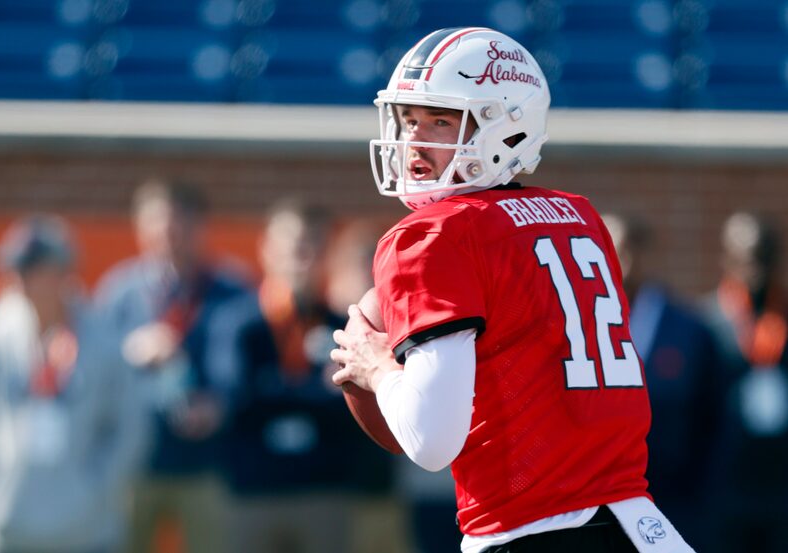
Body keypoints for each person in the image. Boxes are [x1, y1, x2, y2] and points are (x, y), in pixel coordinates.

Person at [330, 27, 694, 553]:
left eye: (440, 121)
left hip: (530, 530)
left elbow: (431, 441)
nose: (413, 139)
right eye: (409, 120)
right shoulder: (579, 218)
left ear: (505, 129)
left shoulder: (432, 235)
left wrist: (378, 368)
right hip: (644, 529)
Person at [94, 179, 272, 553]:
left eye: (179, 224)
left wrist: (220, 403)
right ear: (140, 227)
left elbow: (255, 368)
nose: (168, 236)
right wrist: (130, 351)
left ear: (200, 227)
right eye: (157, 225)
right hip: (133, 465)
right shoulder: (120, 291)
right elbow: (92, 369)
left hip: (210, 468)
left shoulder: (233, 289)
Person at [226, 201, 408, 553]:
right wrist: (318, 390)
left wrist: (279, 391)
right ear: (267, 249)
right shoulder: (240, 323)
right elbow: (238, 396)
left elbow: (355, 405)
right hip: (253, 493)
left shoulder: (343, 324)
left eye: (312, 248)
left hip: (326, 492)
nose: (301, 260)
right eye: (292, 248)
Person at [0, 215, 145, 553]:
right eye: (12, 268)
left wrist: (96, 488)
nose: (15, 278)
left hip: (88, 533)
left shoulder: (103, 342)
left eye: (29, 268)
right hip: (4, 532)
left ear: (62, 273)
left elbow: (129, 427)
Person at [603, 213, 721, 551]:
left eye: (623, 251)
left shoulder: (688, 330)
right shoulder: (578, 328)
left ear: (643, 253)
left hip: (675, 504)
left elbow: (712, 420)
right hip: (602, 505)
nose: (616, 263)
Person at [700, 211, 788, 553]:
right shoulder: (707, 322)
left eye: (764, 258)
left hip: (781, 483)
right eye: (747, 258)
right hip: (725, 483)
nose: (755, 268)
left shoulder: (783, 313)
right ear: (728, 258)